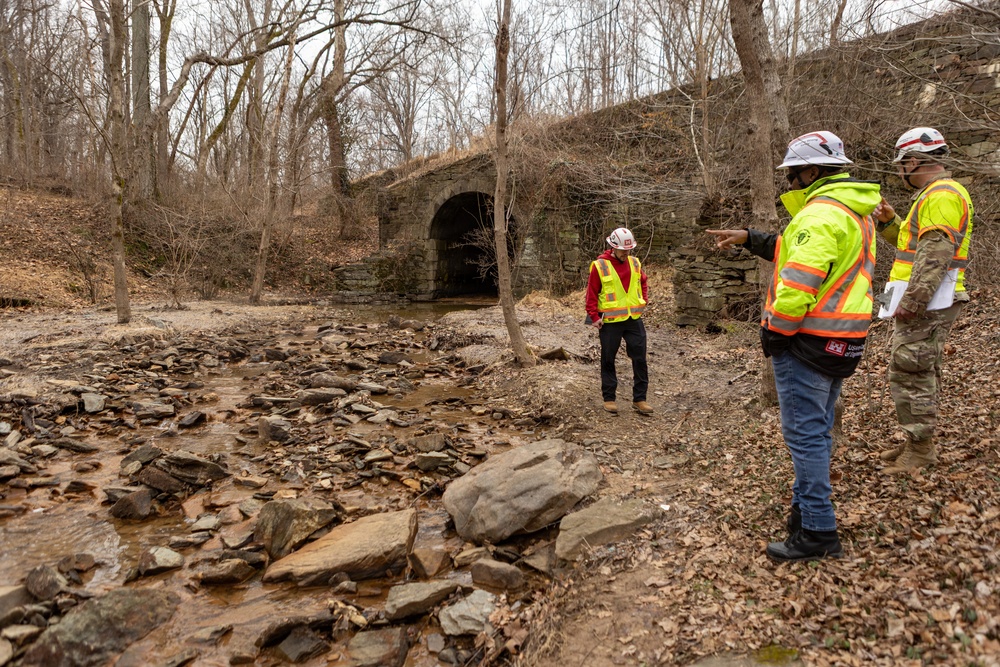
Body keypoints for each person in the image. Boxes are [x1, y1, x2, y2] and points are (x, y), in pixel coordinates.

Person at [707, 131, 880, 562]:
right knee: (816, 431)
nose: (789, 184)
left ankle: (818, 529)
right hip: (843, 340)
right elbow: (798, 254)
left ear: (811, 171)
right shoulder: (854, 213)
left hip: (807, 343)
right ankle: (803, 515)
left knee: (804, 435)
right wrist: (751, 237)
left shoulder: (818, 215)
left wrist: (776, 333)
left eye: (793, 175)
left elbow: (799, 281)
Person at [872, 127, 973, 474]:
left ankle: (920, 450)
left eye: (901, 165)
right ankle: (915, 441)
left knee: (911, 370)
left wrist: (913, 303)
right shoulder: (935, 195)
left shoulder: (941, 195)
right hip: (927, 298)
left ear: (913, 162)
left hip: (928, 302)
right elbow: (913, 250)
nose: (900, 172)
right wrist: (889, 223)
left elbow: (935, 256)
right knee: (917, 367)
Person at [585, 227, 653, 416]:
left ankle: (640, 399)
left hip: (633, 319)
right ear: (613, 247)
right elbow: (592, 292)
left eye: (629, 249)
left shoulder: (635, 262)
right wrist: (594, 316)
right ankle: (609, 399)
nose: (626, 253)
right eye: (623, 250)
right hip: (610, 321)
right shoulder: (600, 265)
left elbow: (643, 281)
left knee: (640, 359)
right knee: (608, 359)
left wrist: (643, 299)